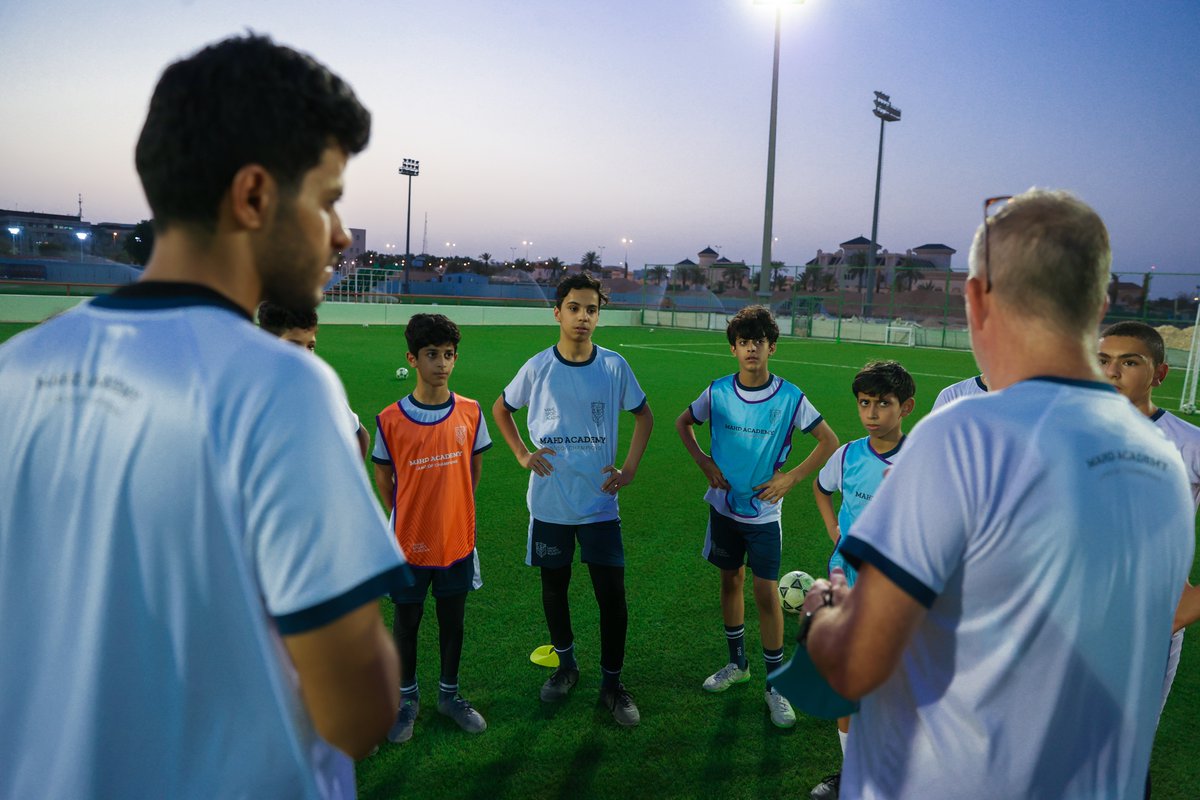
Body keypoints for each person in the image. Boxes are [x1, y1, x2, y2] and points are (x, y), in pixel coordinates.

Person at [0, 35, 408, 798]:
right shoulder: (282, 387)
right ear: (253, 196)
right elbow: (358, 713)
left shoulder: (13, 371)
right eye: (327, 199)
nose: (340, 233)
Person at [801, 189, 1193, 798]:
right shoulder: (1159, 454)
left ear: (977, 300)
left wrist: (820, 620)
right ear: (1098, 306)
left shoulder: (959, 435)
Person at [492, 272, 653, 727]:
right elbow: (501, 408)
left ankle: (612, 684)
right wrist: (522, 454)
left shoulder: (614, 366)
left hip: (600, 503)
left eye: (592, 310)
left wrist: (629, 469)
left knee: (612, 594)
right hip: (551, 503)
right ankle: (566, 667)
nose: (583, 317)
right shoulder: (538, 366)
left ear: (599, 316)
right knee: (554, 587)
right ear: (557, 312)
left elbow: (644, 416)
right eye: (575, 308)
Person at [675, 305, 838, 729]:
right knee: (730, 581)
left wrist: (792, 477)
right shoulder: (718, 392)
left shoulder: (789, 397)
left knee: (766, 595)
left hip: (764, 515)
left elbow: (828, 440)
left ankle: (776, 686)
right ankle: (738, 665)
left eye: (759, 342)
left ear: (772, 348)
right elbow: (683, 423)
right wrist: (704, 463)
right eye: (744, 342)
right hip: (724, 509)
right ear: (733, 349)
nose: (751, 349)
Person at [372, 313, 491, 743]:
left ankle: (448, 695)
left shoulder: (471, 412)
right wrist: (410, 513)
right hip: (408, 543)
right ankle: (407, 701)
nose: (441, 363)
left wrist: (451, 508)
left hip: (456, 538)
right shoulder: (390, 419)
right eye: (431, 354)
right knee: (407, 620)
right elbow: (384, 478)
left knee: (452, 621)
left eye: (448, 355)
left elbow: (472, 471)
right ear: (412, 359)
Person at [808, 359, 915, 799]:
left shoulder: (920, 459)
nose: (871, 413)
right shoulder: (848, 454)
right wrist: (835, 531)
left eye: (883, 403)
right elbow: (821, 488)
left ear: (906, 407)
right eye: (864, 403)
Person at [1098, 322, 1200, 721]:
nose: (1112, 372)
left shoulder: (1189, 444)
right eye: (1103, 360)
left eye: (1130, 362)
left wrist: (1187, 608)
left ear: (1159, 373)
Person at [258, 300, 371, 459]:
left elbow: (360, 436)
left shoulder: (320, 391)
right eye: (294, 345)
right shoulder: (244, 395)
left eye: (310, 346)